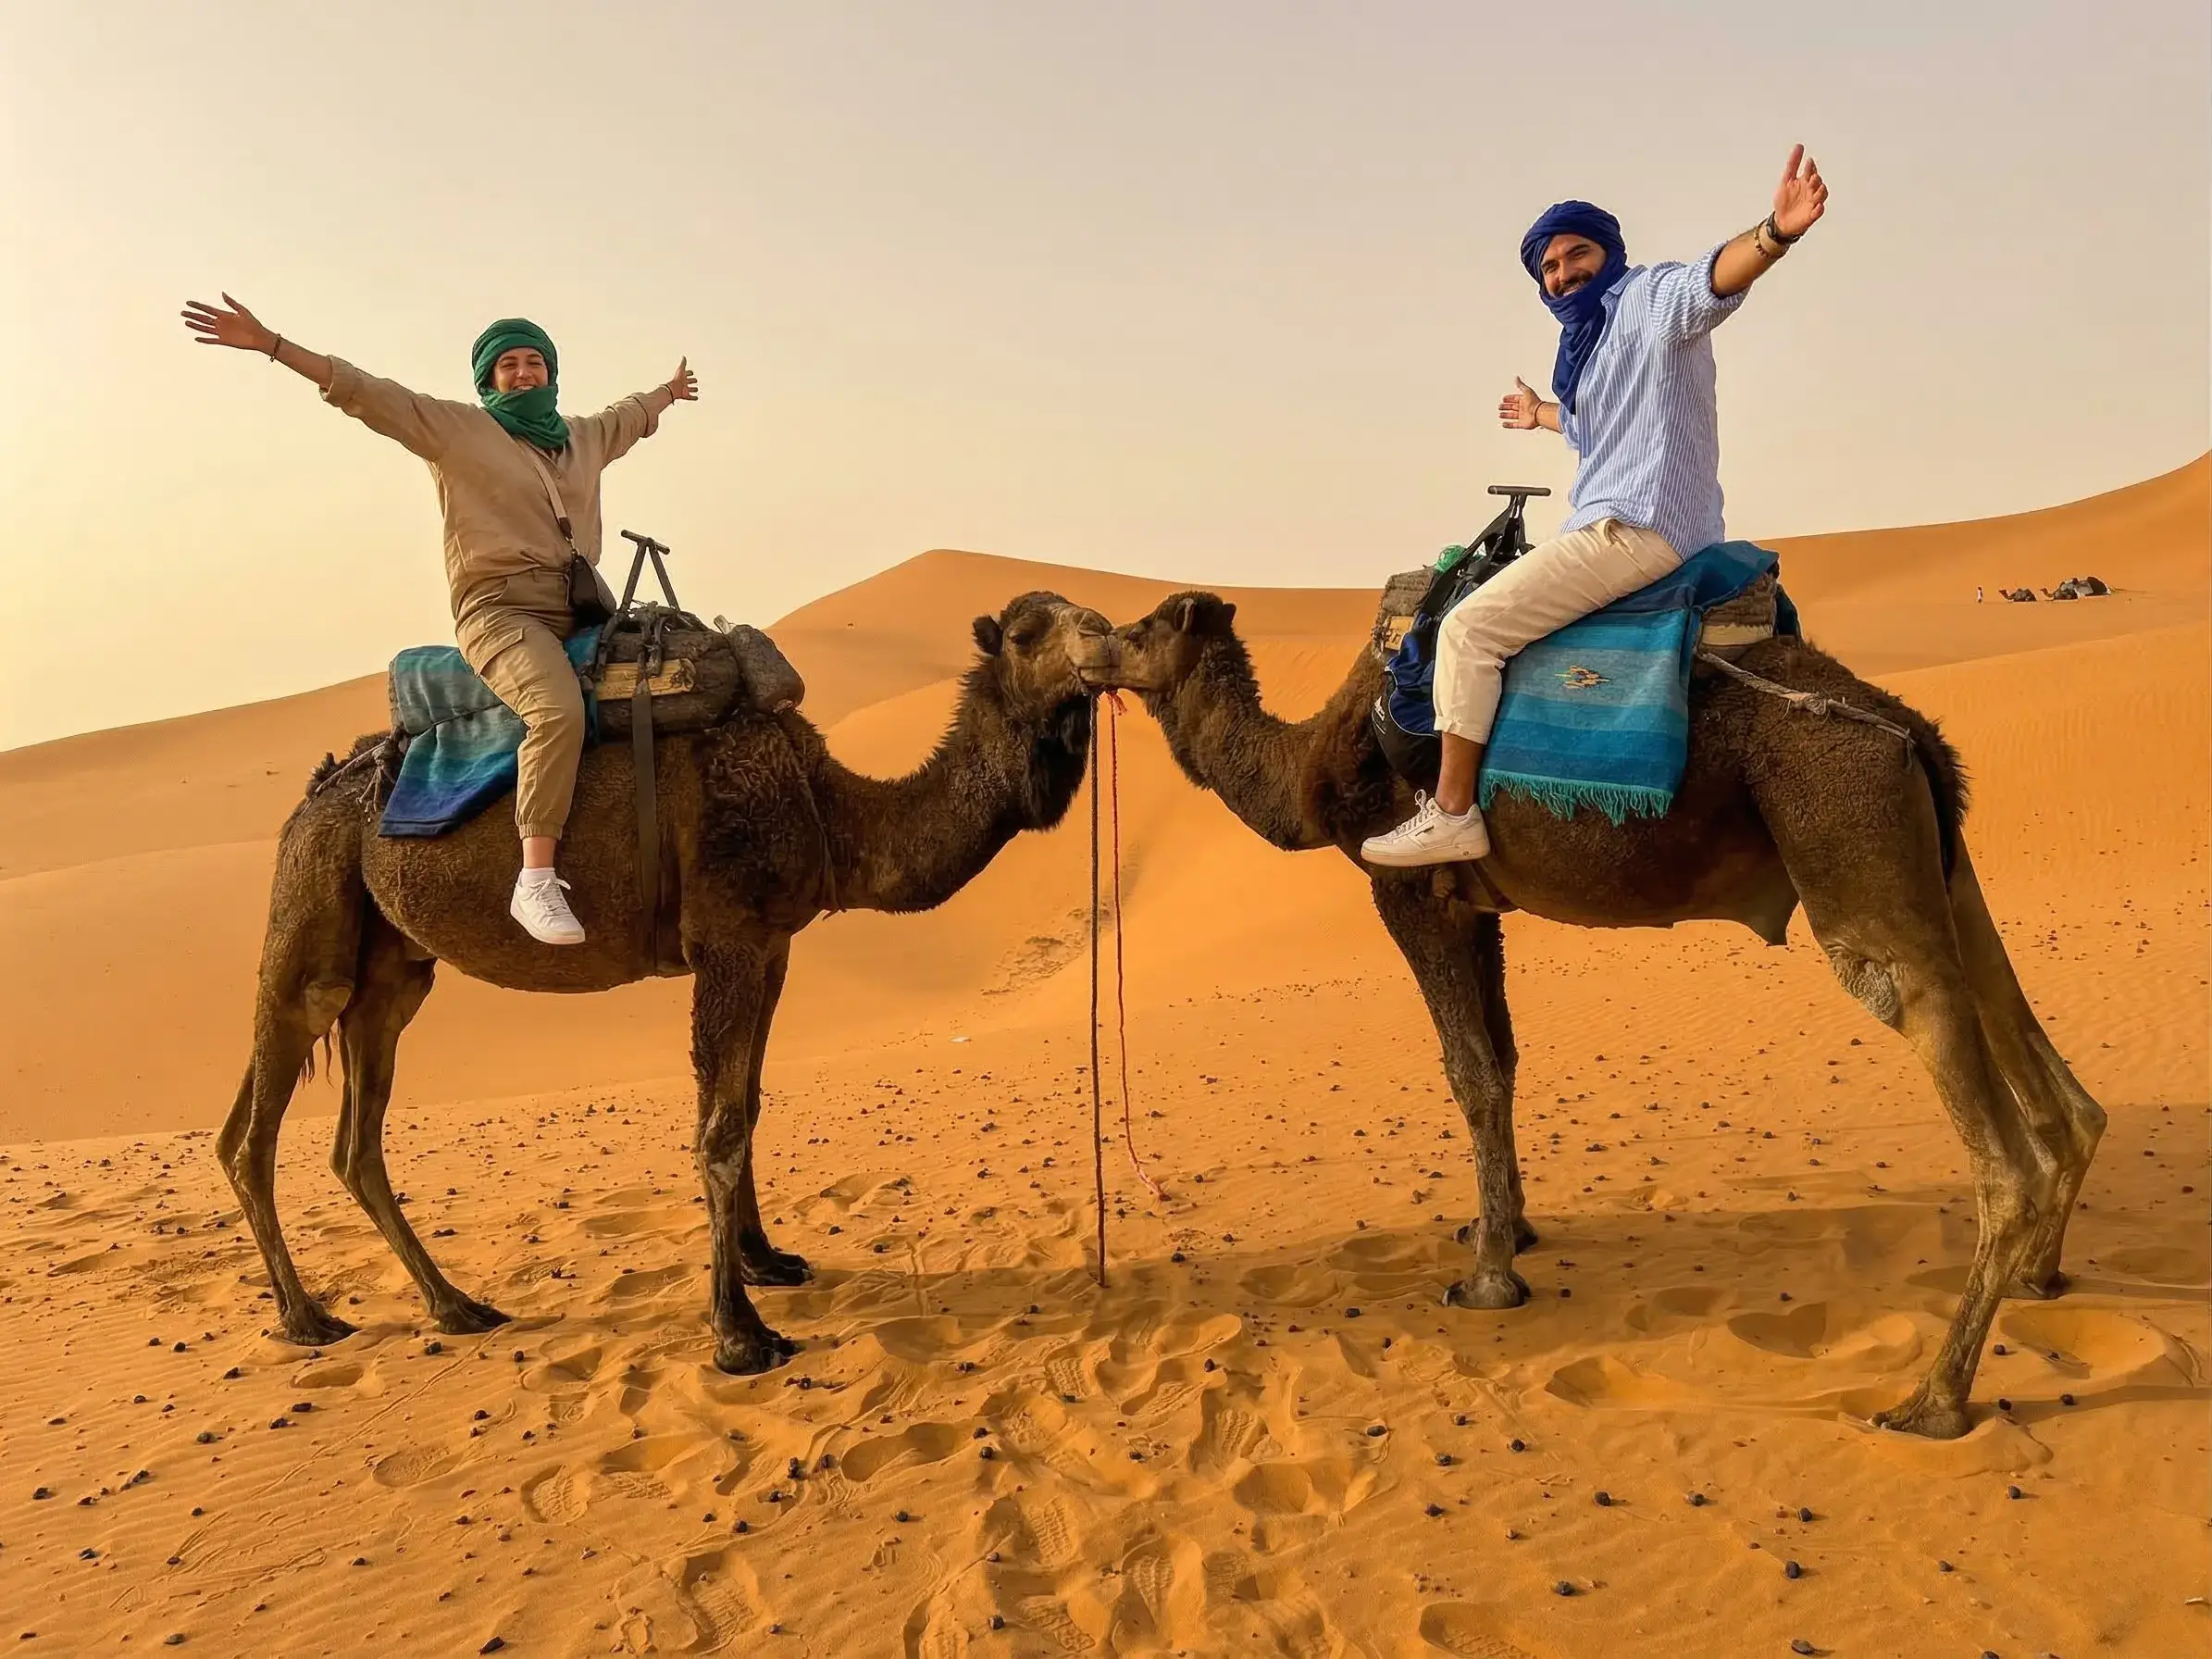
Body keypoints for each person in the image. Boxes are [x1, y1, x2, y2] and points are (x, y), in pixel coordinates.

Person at [1362, 146, 1828, 867]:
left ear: (1608, 254)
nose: (1563, 273)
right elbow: (1587, 429)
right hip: (1621, 523)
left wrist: (1776, 231)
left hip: (1634, 530)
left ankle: (1452, 812)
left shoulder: (1646, 302)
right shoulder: (1582, 348)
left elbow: (1710, 281)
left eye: (1577, 255)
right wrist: (1538, 412)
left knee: (1467, 631)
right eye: (1548, 268)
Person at [181, 296, 697, 943]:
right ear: (487, 381)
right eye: (507, 364)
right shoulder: (456, 431)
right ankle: (535, 878)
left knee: (677, 680)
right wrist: (275, 346)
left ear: (551, 373)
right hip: (501, 612)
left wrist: (669, 393)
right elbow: (369, 394)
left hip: (580, 607)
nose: (523, 372)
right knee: (557, 710)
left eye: (534, 361)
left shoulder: (581, 438)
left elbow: (631, 415)